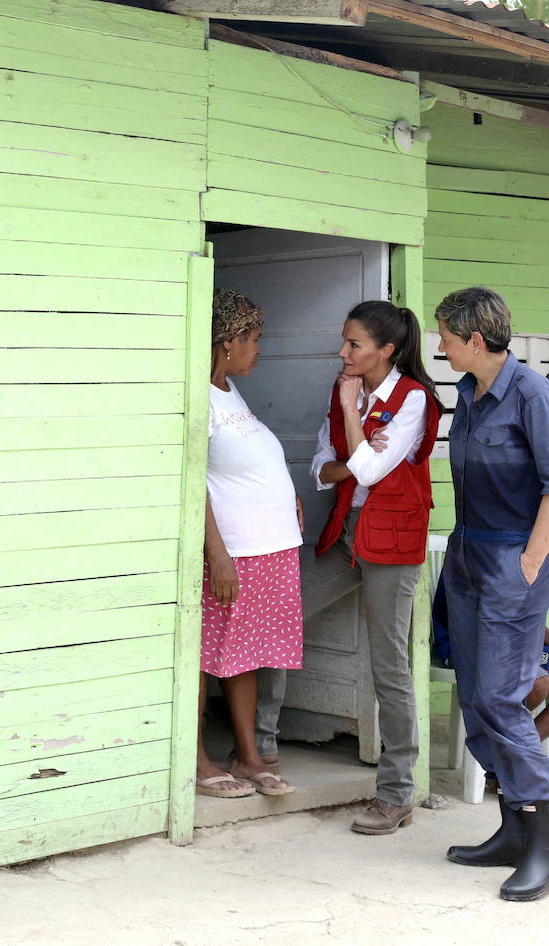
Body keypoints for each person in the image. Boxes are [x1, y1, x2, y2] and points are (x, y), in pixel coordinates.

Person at [433, 286, 549, 901]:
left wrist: (527, 565)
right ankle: (513, 831)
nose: (439, 347)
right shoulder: (468, 395)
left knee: (501, 697)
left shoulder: (532, 394)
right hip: (467, 561)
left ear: (474, 340)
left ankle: (546, 841)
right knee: (475, 696)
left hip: (510, 567)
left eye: (445, 337)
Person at [310, 300, 442, 834]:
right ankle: (261, 752)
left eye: (354, 345)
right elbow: (325, 471)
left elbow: (365, 468)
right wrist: (352, 457)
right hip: (346, 534)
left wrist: (349, 414)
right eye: (345, 341)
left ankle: (396, 793)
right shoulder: (349, 386)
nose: (343, 352)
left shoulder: (412, 400)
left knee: (390, 666)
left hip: (391, 540)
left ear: (387, 350)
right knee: (278, 615)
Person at [198, 289, 304, 799]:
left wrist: (287, 497)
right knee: (204, 654)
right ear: (227, 341)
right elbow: (192, 483)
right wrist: (215, 552)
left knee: (245, 656)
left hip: (270, 546)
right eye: (253, 340)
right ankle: (195, 759)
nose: (258, 350)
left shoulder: (228, 390)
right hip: (233, 550)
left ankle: (246, 756)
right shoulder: (197, 393)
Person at [431, 585, 549, 748]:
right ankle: (506, 758)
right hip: (469, 646)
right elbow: (481, 625)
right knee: (537, 682)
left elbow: (528, 618)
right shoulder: (483, 550)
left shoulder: (539, 553)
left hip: (518, 644)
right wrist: (538, 655)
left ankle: (518, 752)